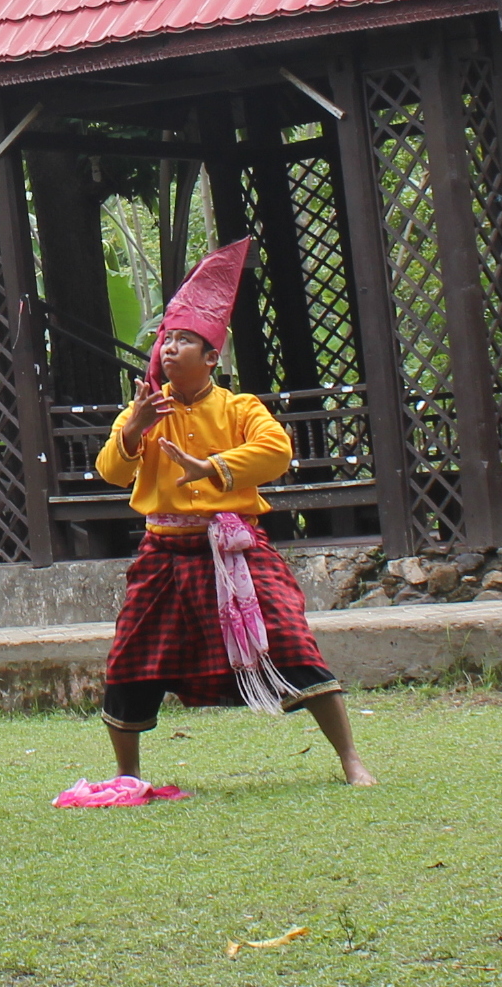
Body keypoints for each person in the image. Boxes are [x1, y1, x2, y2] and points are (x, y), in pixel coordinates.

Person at [93, 239, 375, 789]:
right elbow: (112, 473)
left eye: (183, 341)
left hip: (234, 545)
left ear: (210, 356)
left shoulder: (241, 407)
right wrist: (133, 428)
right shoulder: (144, 409)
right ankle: (128, 776)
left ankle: (350, 760)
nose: (169, 349)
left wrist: (211, 467)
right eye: (166, 341)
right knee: (130, 657)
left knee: (290, 639)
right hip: (163, 553)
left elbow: (276, 451)